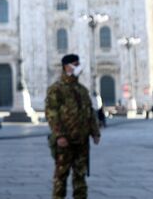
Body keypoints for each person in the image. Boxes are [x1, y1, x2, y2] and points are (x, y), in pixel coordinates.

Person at [45, 54, 101, 199]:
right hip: (65, 141)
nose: (78, 67)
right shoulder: (56, 89)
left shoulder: (82, 90)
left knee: (80, 177)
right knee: (61, 177)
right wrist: (59, 135)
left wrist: (95, 132)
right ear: (66, 67)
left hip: (82, 141)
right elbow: (52, 114)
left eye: (79, 64)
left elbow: (89, 112)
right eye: (75, 64)